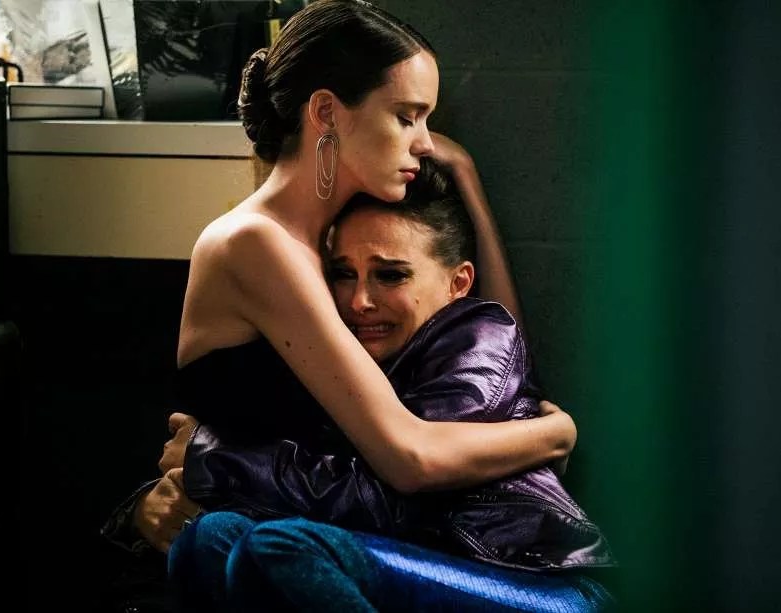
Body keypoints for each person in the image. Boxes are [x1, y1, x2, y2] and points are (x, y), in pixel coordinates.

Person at [164, 158, 615, 612]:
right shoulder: (349, 358)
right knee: (207, 539)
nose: (360, 301)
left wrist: (214, 458)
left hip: (538, 585)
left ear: (458, 282)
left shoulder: (480, 337)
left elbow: (396, 499)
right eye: (344, 274)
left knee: (278, 547)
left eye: (391, 275)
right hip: (413, 564)